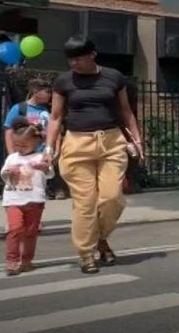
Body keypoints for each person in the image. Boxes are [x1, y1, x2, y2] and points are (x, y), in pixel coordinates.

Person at [44, 36, 143, 274]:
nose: (74, 63)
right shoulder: (63, 81)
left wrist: (138, 141)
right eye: (70, 59)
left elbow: (126, 111)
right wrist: (49, 148)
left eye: (78, 58)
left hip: (111, 142)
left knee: (111, 198)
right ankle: (86, 253)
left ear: (92, 55)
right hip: (77, 144)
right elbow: (56, 117)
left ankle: (100, 238)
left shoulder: (114, 77)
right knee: (85, 204)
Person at [1, 119, 53, 275]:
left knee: (31, 232)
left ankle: (27, 260)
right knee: (15, 229)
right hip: (13, 199)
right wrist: (9, 172)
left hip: (35, 199)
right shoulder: (12, 158)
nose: (20, 149)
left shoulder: (40, 157)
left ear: (36, 142)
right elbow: (3, 174)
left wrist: (44, 167)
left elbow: (50, 173)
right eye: (17, 145)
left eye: (24, 145)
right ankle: (12, 260)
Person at [4, 78, 66, 200]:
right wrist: (12, 154)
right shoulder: (19, 108)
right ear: (36, 92)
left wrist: (57, 149)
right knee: (26, 179)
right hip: (25, 152)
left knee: (41, 178)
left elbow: (55, 130)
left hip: (43, 152)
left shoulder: (47, 110)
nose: (50, 96)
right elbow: (9, 131)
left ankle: (51, 192)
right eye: (47, 92)